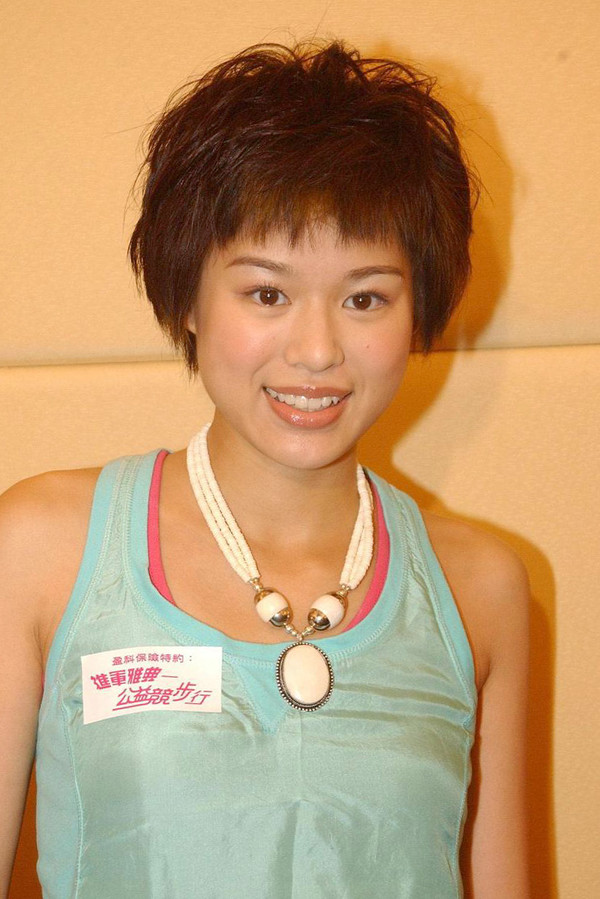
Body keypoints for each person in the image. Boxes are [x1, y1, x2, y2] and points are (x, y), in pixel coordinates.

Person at [0, 41, 529, 898]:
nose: (317, 350)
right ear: (187, 296)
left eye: (365, 297)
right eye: (267, 293)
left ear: (418, 311)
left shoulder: (481, 587)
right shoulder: (41, 549)